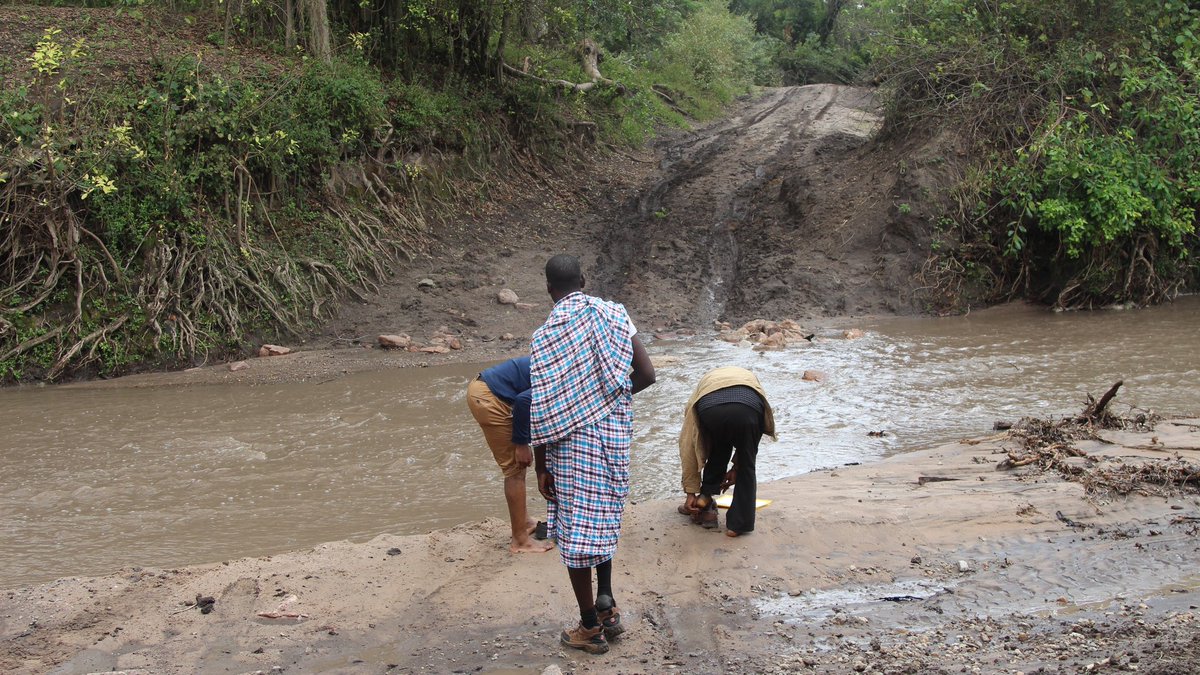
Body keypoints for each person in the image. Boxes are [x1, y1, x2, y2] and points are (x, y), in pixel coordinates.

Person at [530, 254, 656, 655]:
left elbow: (542, 404)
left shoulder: (545, 336)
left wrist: (541, 465)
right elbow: (647, 375)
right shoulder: (614, 314)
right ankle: (608, 605)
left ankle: (589, 627)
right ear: (583, 280)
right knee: (602, 516)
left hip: (568, 445)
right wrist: (605, 403)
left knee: (574, 531)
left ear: (549, 290)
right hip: (612, 437)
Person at [466, 356, 554, 553]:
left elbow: (540, 415)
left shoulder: (568, 364)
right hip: (491, 396)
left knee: (518, 467)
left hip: (488, 390)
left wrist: (541, 465)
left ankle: (523, 522)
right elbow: (524, 401)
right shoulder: (567, 375)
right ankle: (520, 541)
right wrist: (522, 444)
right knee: (515, 468)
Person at [678, 366, 775, 537]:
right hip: (750, 407)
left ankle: (704, 501)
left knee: (718, 446)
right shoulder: (751, 381)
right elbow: (751, 439)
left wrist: (690, 491)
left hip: (710, 408)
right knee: (747, 465)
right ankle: (738, 525)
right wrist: (739, 467)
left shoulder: (703, 387)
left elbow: (688, 447)